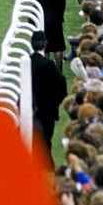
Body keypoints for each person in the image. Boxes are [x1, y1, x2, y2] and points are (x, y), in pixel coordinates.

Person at [30, 30, 67, 167]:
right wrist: (61, 99)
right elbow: (61, 82)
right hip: (46, 108)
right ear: (44, 45)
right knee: (45, 140)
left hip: (29, 106)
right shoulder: (48, 64)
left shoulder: (27, 61)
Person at [33, 0, 67, 70]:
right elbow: (63, 4)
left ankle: (47, 69)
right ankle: (59, 69)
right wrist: (59, 16)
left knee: (46, 46)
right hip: (56, 19)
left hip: (44, 20)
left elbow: (36, 4)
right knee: (58, 46)